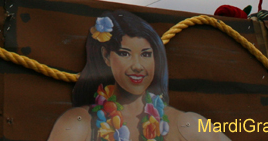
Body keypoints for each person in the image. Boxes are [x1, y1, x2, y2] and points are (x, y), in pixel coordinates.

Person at [48, 10, 229, 141]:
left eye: (146, 54)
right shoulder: (78, 124)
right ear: (106, 56)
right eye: (125, 53)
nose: (137, 66)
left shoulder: (185, 124)